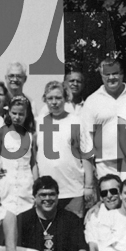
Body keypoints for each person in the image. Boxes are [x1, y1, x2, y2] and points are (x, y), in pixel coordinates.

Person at [36, 81, 95, 218]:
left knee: (72, 234)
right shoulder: (38, 122)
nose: (54, 102)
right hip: (46, 192)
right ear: (45, 100)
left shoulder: (76, 121)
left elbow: (86, 156)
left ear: (66, 98)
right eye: (50, 98)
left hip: (73, 190)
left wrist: (89, 187)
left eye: (58, 98)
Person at [80, 57, 126, 178]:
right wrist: (90, 165)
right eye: (107, 74)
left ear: (122, 74)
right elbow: (87, 138)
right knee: (109, 196)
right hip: (105, 163)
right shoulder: (92, 101)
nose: (111, 78)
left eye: (115, 73)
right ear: (101, 76)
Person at [0, 96, 38, 215]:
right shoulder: (2, 133)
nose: (17, 117)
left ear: (26, 115)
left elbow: (33, 163)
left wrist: (37, 188)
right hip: (6, 186)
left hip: (25, 187)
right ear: (9, 112)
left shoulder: (30, 135)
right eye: (14, 113)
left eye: (21, 114)